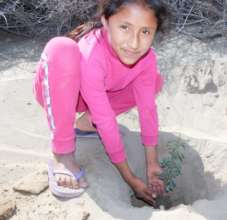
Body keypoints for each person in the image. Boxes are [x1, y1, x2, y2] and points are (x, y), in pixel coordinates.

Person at [33, 0, 167, 205]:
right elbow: (106, 120)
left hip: (95, 97)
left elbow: (148, 109)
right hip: (60, 90)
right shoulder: (93, 53)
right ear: (105, 20)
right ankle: (63, 156)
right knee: (61, 47)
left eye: (146, 32)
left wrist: (152, 162)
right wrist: (129, 178)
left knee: (154, 81)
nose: (134, 43)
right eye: (125, 27)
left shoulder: (146, 57)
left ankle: (86, 124)